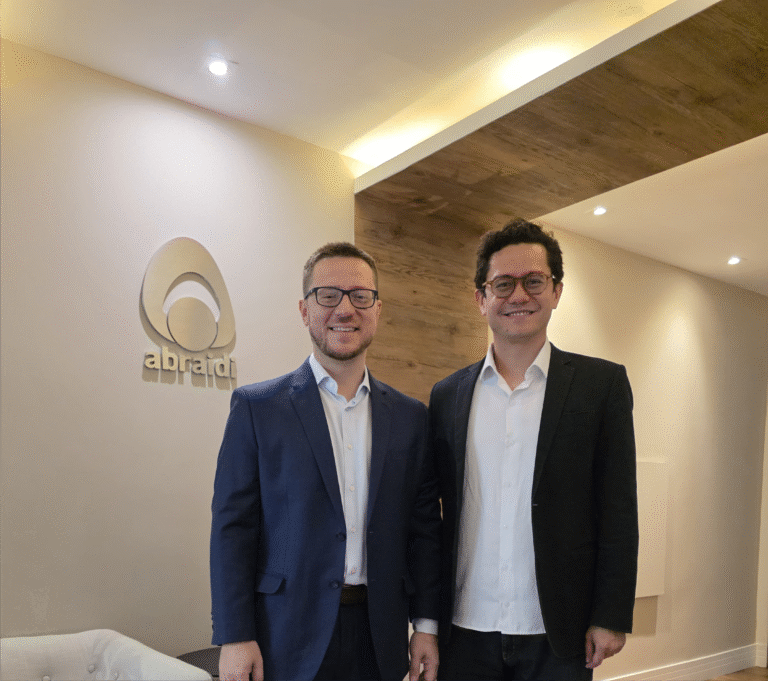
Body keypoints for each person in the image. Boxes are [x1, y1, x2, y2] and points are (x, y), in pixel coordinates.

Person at [210, 242, 441, 681]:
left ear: (377, 309)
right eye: (328, 295)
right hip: (285, 635)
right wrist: (235, 636)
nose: (345, 309)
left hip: (380, 636)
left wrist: (426, 626)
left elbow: (424, 529)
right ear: (304, 310)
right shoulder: (258, 408)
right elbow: (232, 529)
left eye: (360, 296)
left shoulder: (411, 417)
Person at [430, 219, 638, 680]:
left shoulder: (600, 386)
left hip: (559, 630)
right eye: (503, 284)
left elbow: (618, 510)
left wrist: (611, 614)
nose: (518, 295)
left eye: (534, 281)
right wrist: (425, 621)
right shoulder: (447, 395)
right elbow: (432, 516)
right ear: (481, 298)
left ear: (557, 291)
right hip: (465, 628)